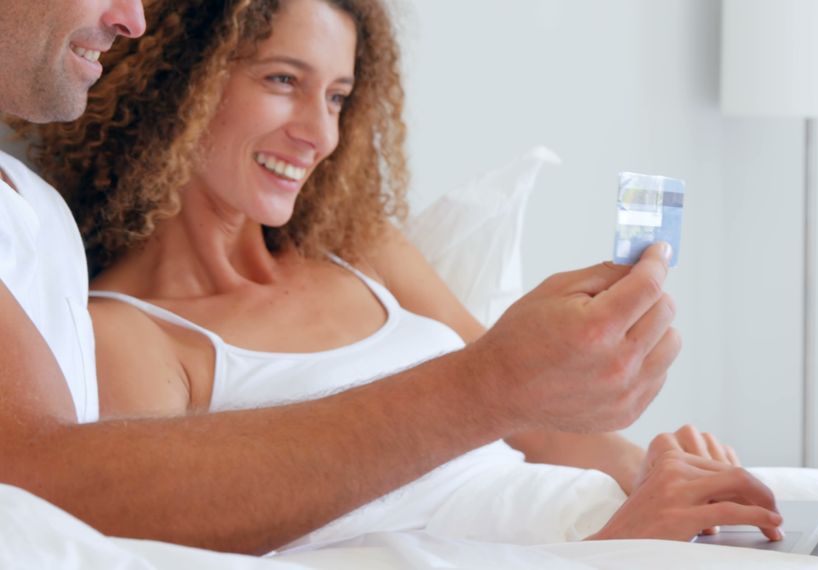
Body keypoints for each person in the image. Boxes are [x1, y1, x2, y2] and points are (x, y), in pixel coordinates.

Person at [0, 0, 776, 556]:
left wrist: (665, 477)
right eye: (281, 80)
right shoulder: (129, 335)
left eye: (337, 96)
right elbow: (164, 540)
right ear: (180, 85)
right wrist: (616, 546)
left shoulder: (360, 250)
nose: (319, 132)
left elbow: (536, 422)